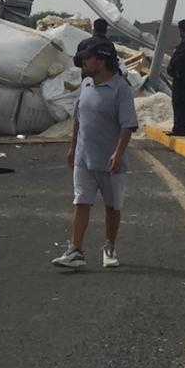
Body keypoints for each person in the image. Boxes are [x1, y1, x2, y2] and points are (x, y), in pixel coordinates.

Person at [53, 38, 139, 270]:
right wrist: (72, 147)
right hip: (84, 158)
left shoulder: (120, 88)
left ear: (102, 60)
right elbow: (79, 119)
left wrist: (118, 153)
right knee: (81, 202)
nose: (83, 64)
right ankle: (75, 251)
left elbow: (128, 125)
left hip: (110, 161)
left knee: (112, 206)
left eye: (87, 59)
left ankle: (109, 247)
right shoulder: (86, 84)